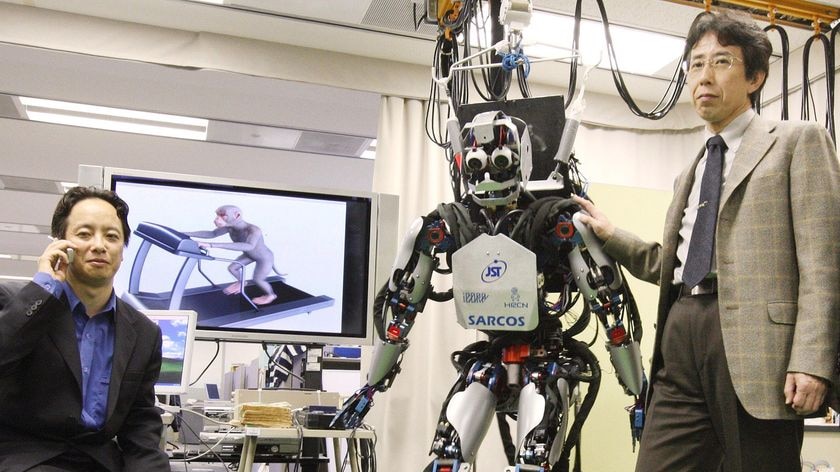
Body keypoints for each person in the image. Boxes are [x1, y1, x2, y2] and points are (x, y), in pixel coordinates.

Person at [574, 10, 840, 472]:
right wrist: (612, 236)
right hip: (681, 332)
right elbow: (676, 264)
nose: (704, 77)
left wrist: (813, 361)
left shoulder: (798, 141)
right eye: (695, 65)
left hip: (759, 348)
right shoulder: (691, 170)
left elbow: (825, 262)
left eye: (721, 62)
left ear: (755, 76)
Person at [0, 186, 170, 471]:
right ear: (60, 245)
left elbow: (139, 424)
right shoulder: (19, 303)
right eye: (84, 234)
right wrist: (44, 287)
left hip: (98, 461)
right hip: (26, 458)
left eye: (112, 236)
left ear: (122, 250)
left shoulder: (143, 333)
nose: (99, 245)